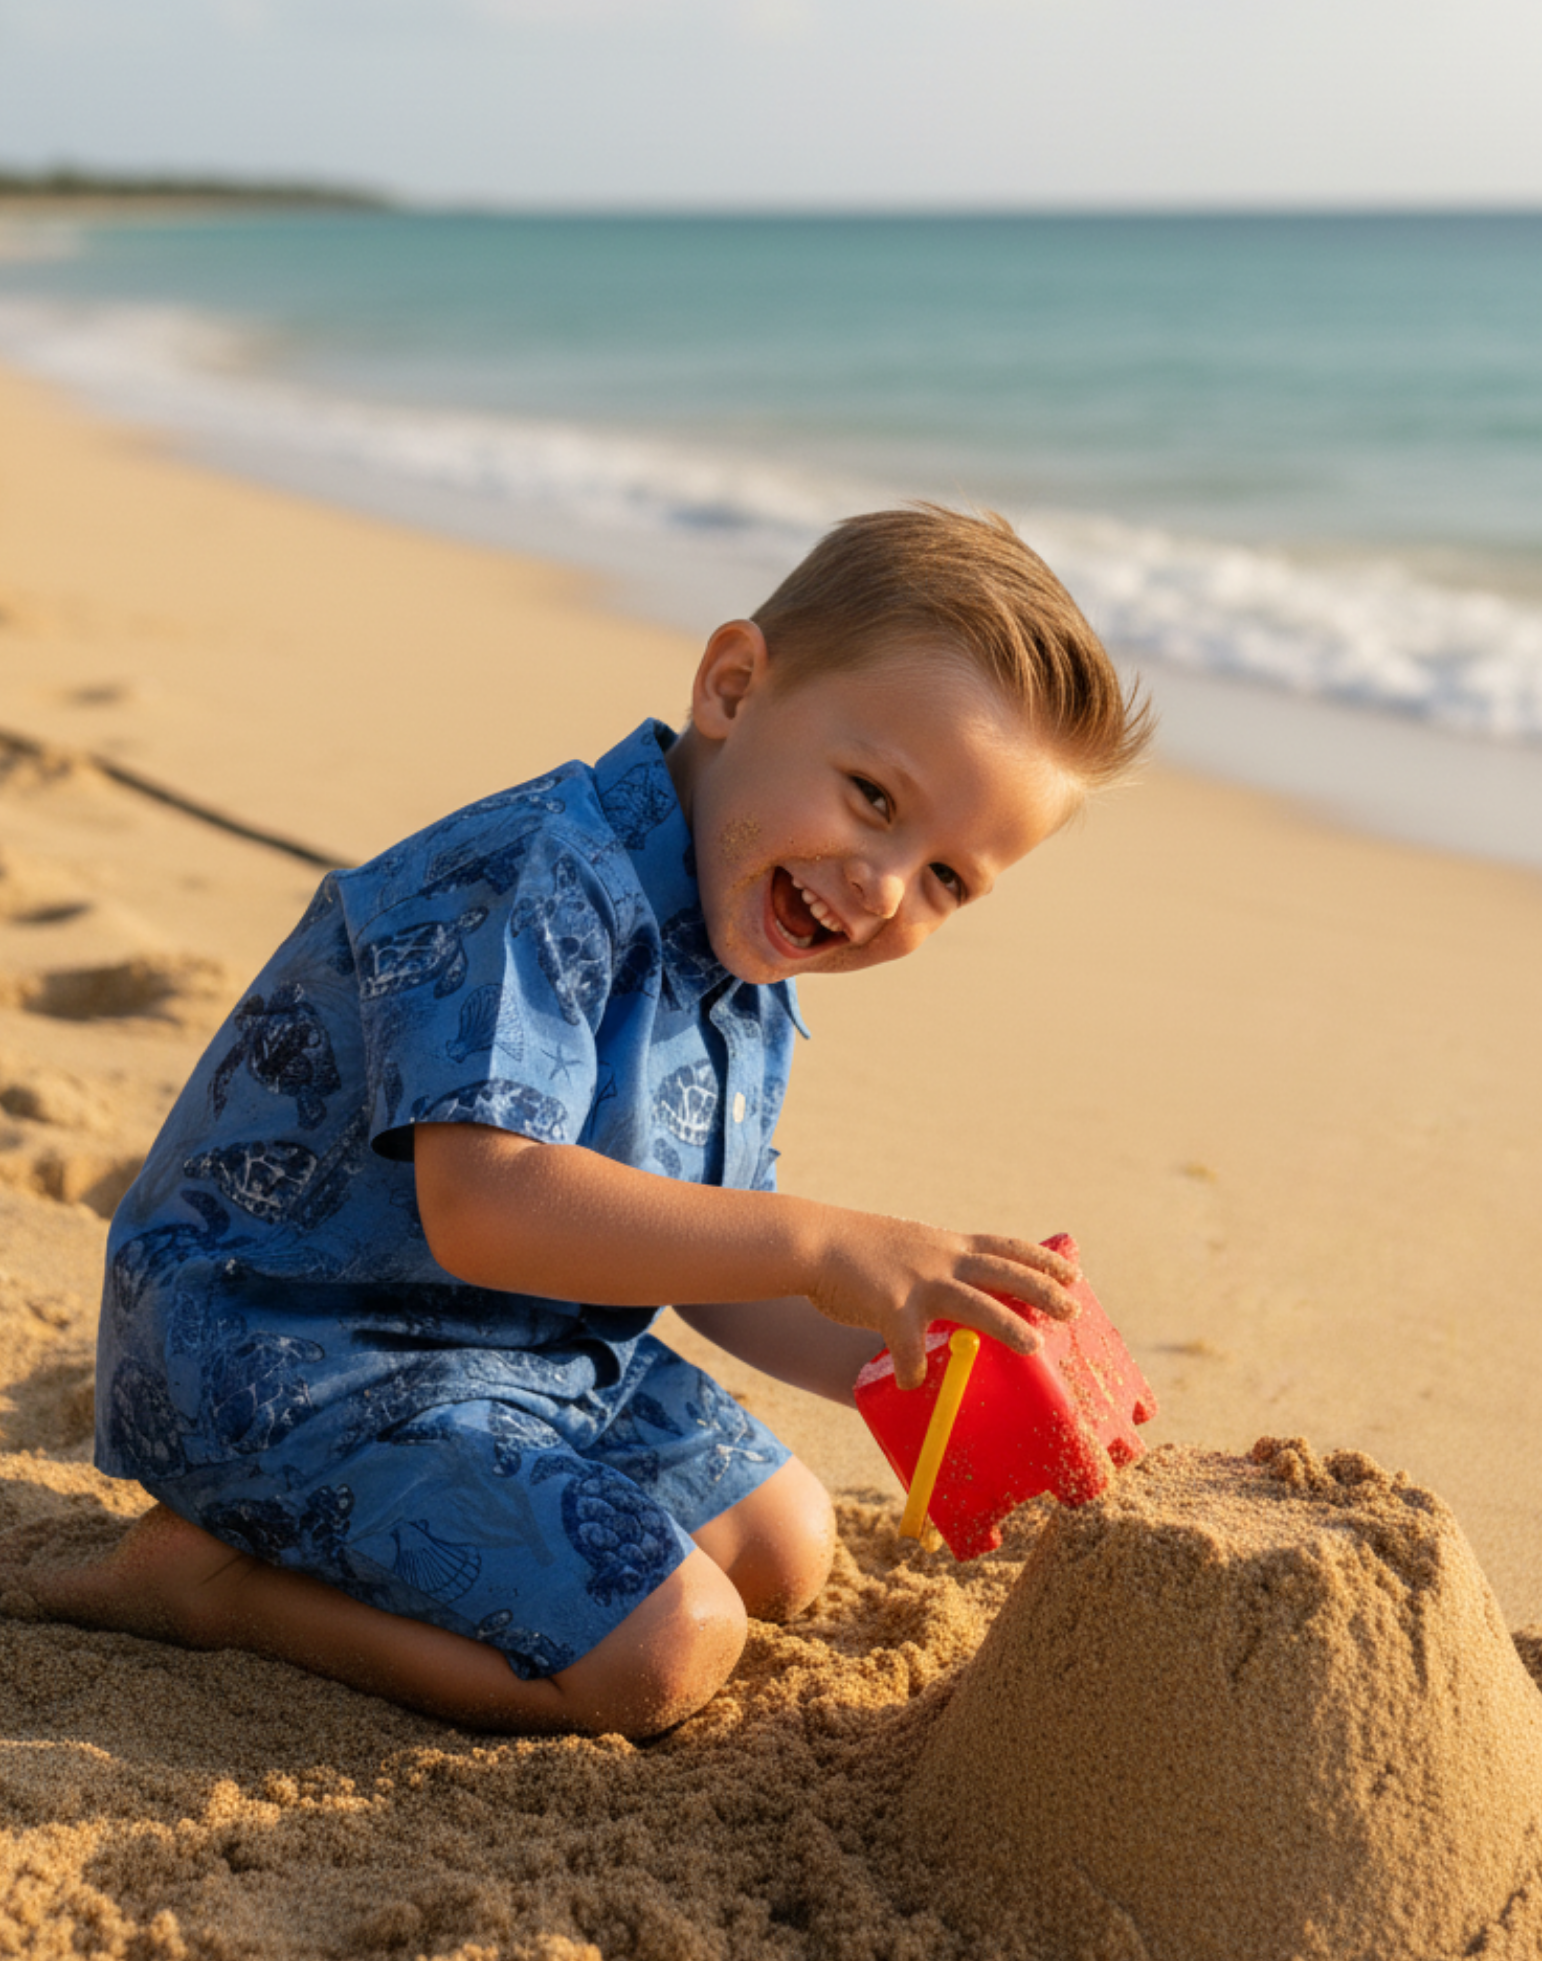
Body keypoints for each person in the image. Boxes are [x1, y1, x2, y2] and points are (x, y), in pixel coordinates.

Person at [29, 505, 1151, 1740]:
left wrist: (915, 1360)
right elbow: (487, 1206)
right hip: (289, 1347)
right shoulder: (537, 879)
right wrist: (826, 1240)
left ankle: (369, 1537)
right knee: (669, 1650)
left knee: (788, 1545)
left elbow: (705, 1256)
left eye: (947, 878)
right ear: (731, 688)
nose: (884, 885)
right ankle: (219, 1590)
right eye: (874, 795)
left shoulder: (752, 945)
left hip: (517, 1345)